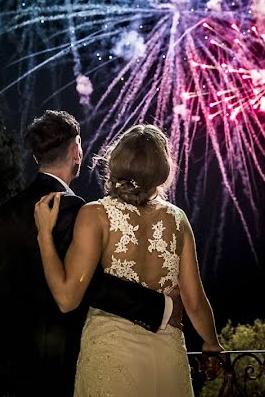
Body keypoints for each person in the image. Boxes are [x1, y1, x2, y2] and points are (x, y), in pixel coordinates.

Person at [0, 111, 183, 397]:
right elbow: (91, 285)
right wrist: (162, 307)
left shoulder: (9, 210)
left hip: (3, 361)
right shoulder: (70, 208)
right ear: (77, 150)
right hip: (50, 366)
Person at [34, 124, 223, 397]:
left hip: (112, 356)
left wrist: (44, 236)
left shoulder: (95, 214)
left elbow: (66, 298)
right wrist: (212, 344)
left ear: (116, 162)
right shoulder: (177, 220)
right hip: (166, 358)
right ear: (161, 170)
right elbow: (194, 301)